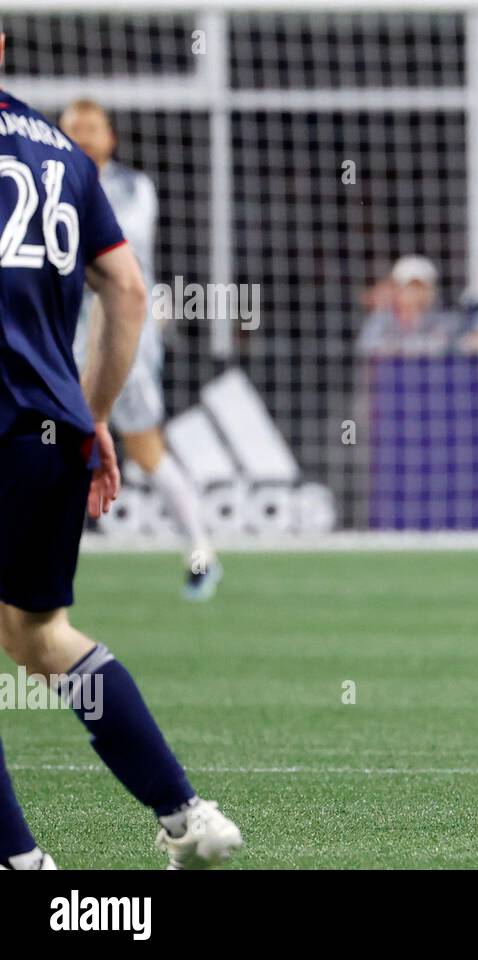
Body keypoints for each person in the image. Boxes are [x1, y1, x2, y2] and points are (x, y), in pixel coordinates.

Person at [0, 31, 242, 869]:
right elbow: (127, 290)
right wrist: (91, 414)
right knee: (38, 637)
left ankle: (22, 863)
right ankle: (187, 815)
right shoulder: (62, 155)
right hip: (52, 427)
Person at [59, 98, 221, 600]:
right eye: (73, 130)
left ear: (111, 138)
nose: (83, 137)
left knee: (144, 446)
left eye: (92, 128)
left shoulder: (133, 189)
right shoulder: (42, 184)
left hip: (121, 338)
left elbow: (113, 248)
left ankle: (200, 553)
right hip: (59, 334)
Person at [357, 255, 460, 355]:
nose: (417, 293)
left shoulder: (443, 318)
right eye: (411, 287)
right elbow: (366, 346)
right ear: (396, 288)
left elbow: (449, 345)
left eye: (422, 287)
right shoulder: (382, 317)